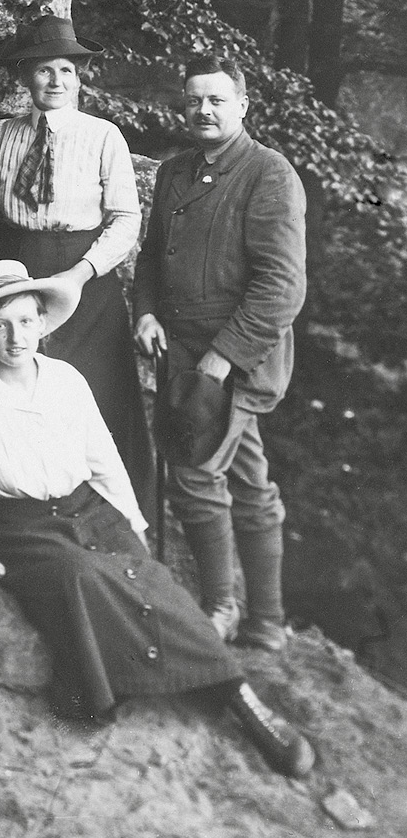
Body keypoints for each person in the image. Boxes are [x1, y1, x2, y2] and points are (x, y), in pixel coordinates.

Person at [0, 261, 315, 778]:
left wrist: (133, 523)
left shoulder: (66, 380)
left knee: (146, 572)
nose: (15, 337)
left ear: (43, 322)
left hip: (88, 508)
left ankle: (241, 697)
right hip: (23, 530)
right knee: (82, 574)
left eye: (25, 321)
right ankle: (101, 690)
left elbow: (103, 457)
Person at [0, 15, 151, 503]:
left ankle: (117, 514)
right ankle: (36, 505)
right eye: (44, 70)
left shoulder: (104, 136)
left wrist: (80, 274)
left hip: (85, 273)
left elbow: (126, 219)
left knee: (98, 391)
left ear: (79, 77)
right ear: (26, 77)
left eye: (66, 70)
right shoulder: (6, 134)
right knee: (21, 388)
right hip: (17, 266)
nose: (55, 81)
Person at [133, 53, 307, 651]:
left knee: (194, 474)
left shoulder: (268, 173)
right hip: (181, 349)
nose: (202, 110)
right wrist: (147, 311)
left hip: (237, 355)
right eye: (193, 100)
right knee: (250, 479)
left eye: (216, 100)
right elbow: (154, 256)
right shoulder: (174, 171)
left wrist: (224, 357)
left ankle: (221, 610)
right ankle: (267, 622)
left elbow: (281, 286)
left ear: (242, 106)